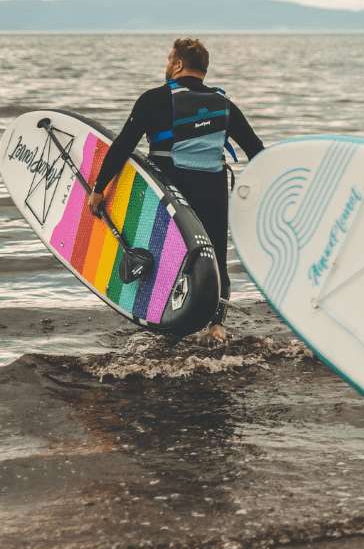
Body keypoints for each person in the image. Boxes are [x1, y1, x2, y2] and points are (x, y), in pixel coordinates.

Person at [87, 38, 265, 342]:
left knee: (166, 251)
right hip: (213, 187)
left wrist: (99, 188)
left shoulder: (154, 99)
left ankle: (170, 320)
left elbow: (123, 146)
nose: (167, 66)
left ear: (179, 64)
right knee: (216, 254)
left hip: (171, 189)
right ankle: (217, 326)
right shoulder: (224, 105)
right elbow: (256, 151)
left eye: (170, 60)